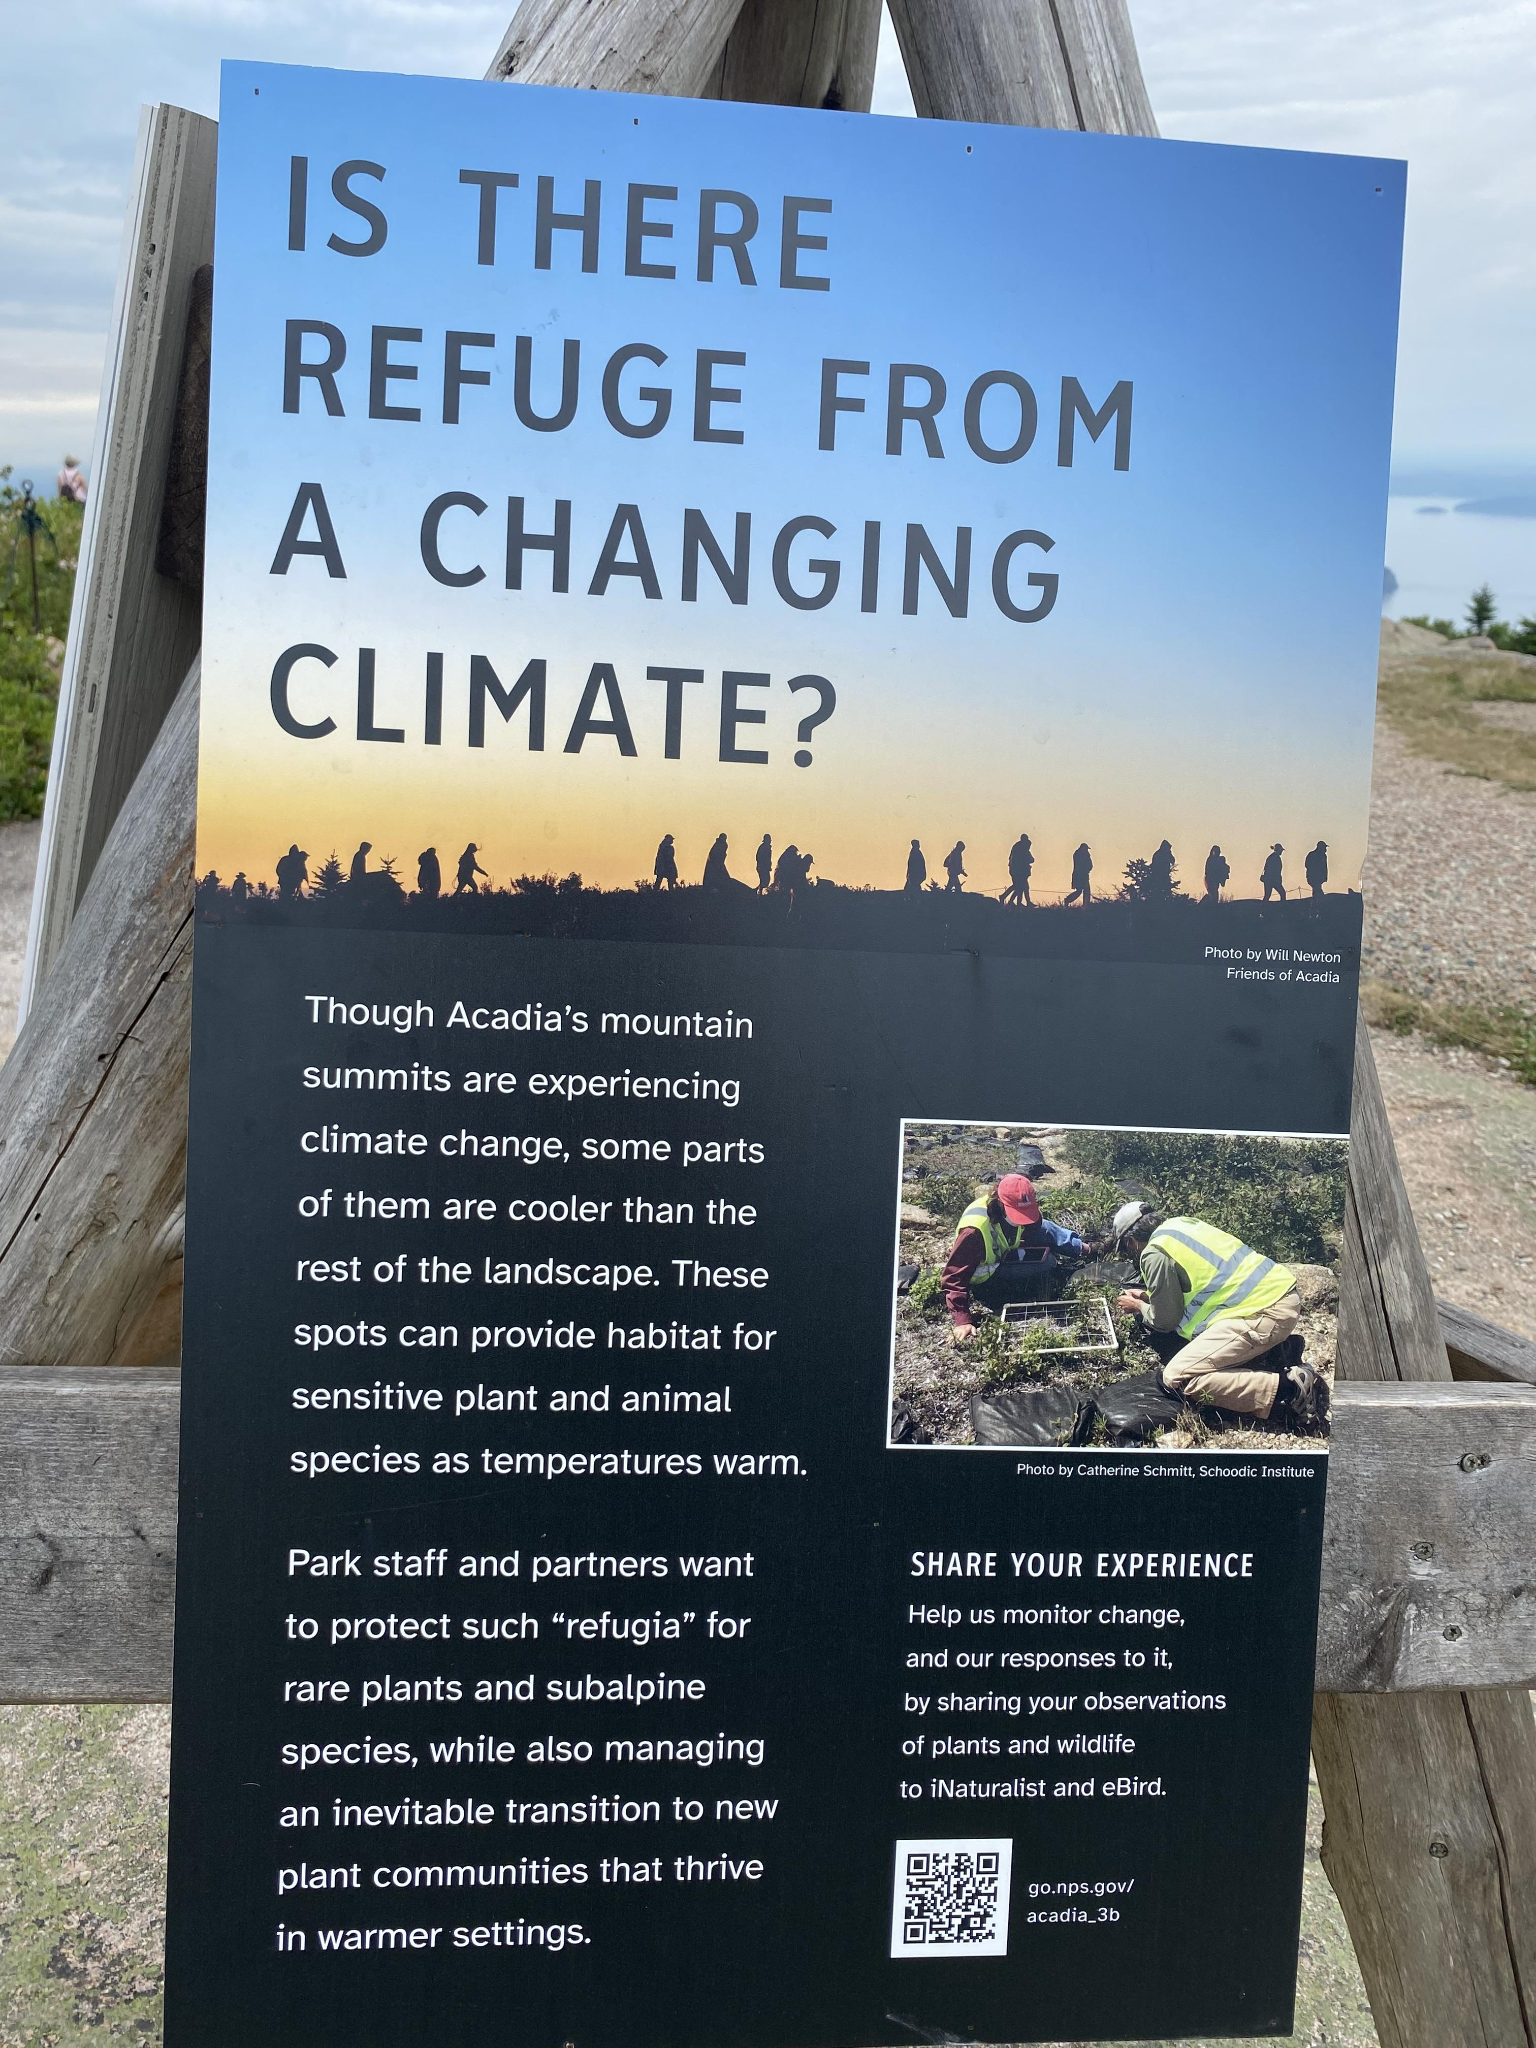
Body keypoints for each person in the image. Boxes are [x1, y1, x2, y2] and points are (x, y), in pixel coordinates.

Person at [1111, 1201, 1323, 1429]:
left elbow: (1165, 1321)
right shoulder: (1182, 1225)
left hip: (1263, 1314)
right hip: (1280, 1297)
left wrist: (1139, 1308)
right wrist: (1148, 1296)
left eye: (1126, 1248)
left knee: (1177, 1377)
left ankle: (1289, 1390)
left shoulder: (1153, 1252)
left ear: (1131, 1241)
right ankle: (1271, 1355)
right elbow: (1203, 1283)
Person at [944, 1175, 1092, 1339]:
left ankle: (1085, 1248)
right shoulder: (973, 1231)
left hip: (1004, 1251)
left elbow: (1038, 1227)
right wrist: (962, 1319)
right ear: (1000, 1203)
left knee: (1045, 1228)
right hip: (988, 1275)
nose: (1023, 1220)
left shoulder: (1014, 1210)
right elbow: (953, 1277)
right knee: (1047, 1262)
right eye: (1018, 1213)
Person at [1001, 832, 1034, 907]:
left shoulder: (1020, 849)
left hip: (1019, 870)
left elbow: (1031, 859)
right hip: (1018, 871)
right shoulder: (1019, 850)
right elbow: (1027, 859)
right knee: (1020, 887)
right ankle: (1011, 900)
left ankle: (1016, 902)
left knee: (1021, 887)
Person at [1064, 842, 1092, 907]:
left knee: (1082, 891)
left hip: (1079, 875)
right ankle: (1085, 905)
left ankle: (1085, 905)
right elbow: (1088, 865)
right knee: (1084, 891)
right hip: (1082, 876)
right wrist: (1087, 870)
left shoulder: (1077, 854)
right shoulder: (1083, 855)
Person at [1305, 840, 1328, 905]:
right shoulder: (1314, 855)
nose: (1325, 849)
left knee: (1316, 892)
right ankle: (1320, 906)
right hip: (1314, 877)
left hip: (1316, 877)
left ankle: (1315, 907)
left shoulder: (1322, 856)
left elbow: (1324, 867)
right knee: (1318, 891)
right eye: (1324, 847)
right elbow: (1307, 865)